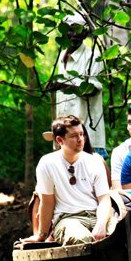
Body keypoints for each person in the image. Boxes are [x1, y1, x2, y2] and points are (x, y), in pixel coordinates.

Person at [28, 115, 115, 245]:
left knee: (121, 236)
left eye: (82, 134)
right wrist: (41, 235)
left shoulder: (95, 161)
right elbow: (47, 203)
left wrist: (101, 225)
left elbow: (104, 199)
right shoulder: (47, 163)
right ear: (60, 140)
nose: (80, 139)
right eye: (74, 136)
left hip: (96, 215)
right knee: (81, 239)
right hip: (67, 218)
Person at [53, 13, 107, 159]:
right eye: (70, 30)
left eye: (79, 30)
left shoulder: (93, 56)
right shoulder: (61, 56)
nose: (74, 34)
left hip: (88, 137)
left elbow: (93, 90)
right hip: (63, 138)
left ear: (86, 32)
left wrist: (65, 86)